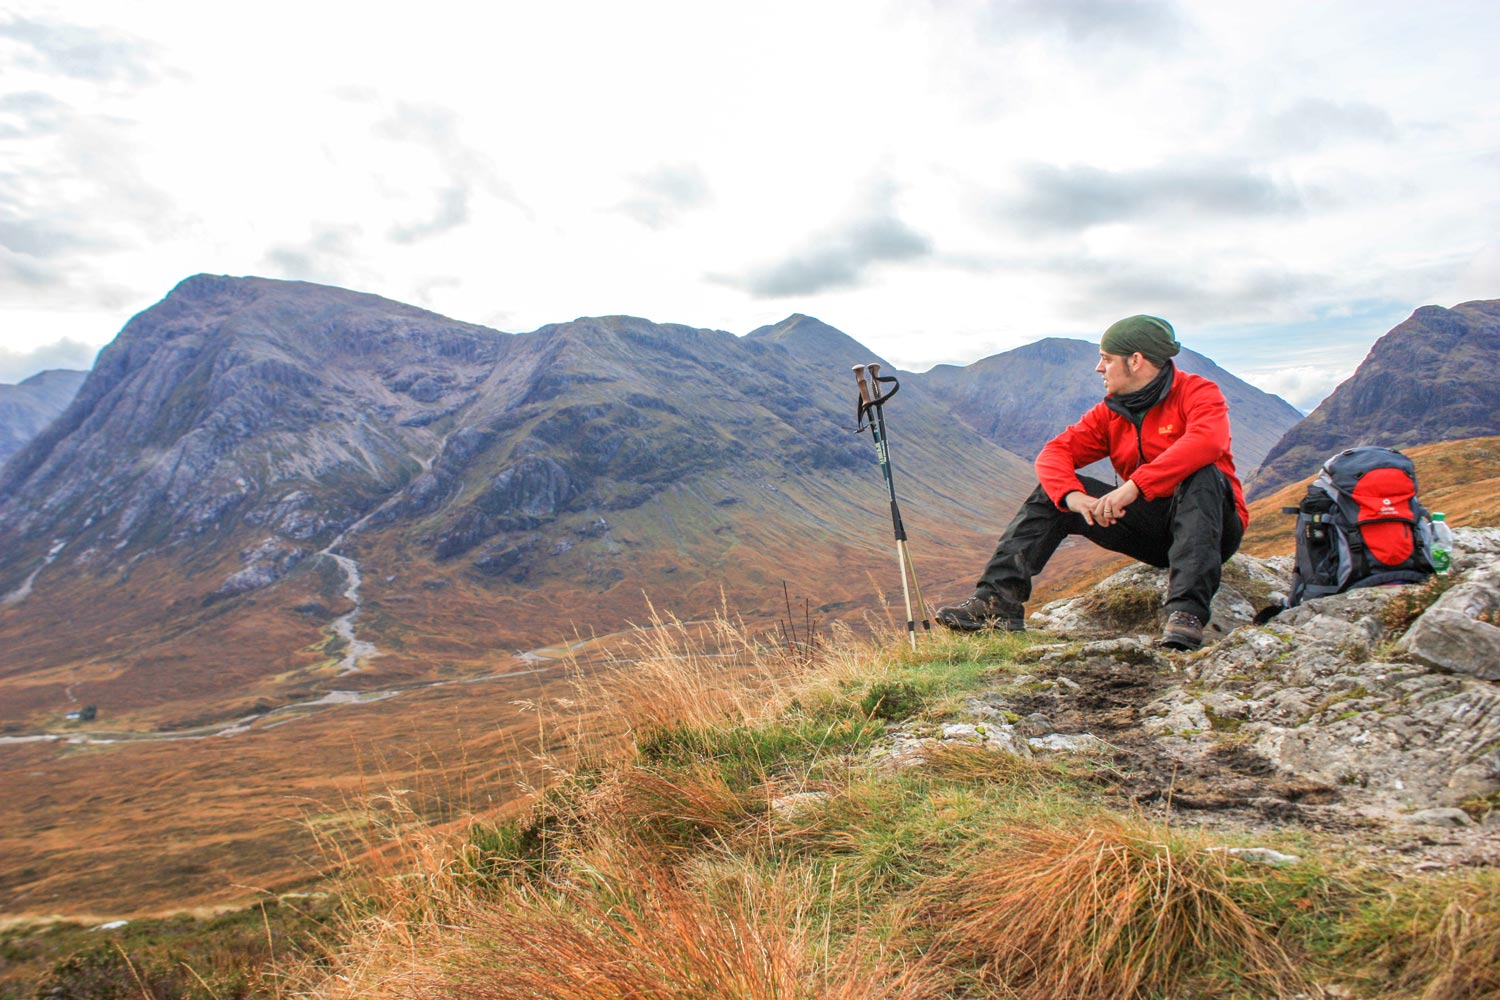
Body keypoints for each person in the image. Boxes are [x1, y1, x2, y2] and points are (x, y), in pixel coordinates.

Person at [935, 315, 1249, 651]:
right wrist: (1073, 498)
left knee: (1201, 473)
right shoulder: (1110, 413)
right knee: (1052, 493)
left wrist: (1134, 487)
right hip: (1154, 534)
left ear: (1136, 360)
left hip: (1213, 533)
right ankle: (995, 604)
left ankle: (1185, 614)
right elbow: (1055, 453)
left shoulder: (1197, 392)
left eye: (1107, 358)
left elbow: (1207, 442)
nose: (1099, 368)